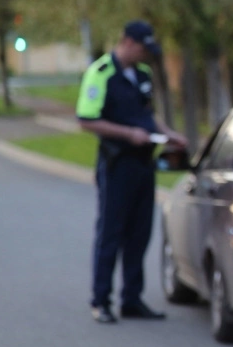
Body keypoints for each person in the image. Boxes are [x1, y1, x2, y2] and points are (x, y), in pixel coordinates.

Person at [76, 20, 187, 324]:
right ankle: (101, 300)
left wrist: (169, 133)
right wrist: (128, 134)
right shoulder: (101, 73)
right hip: (117, 163)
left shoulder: (142, 74)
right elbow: (86, 119)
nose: (145, 55)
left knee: (140, 233)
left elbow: (147, 117)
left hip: (143, 162)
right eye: (142, 48)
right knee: (111, 233)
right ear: (127, 41)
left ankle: (132, 299)